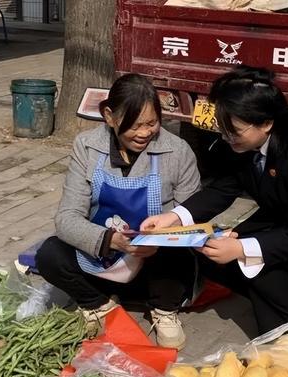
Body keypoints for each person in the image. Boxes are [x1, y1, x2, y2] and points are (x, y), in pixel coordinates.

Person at [141, 65, 288, 343]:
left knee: (255, 261)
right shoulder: (240, 143)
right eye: (222, 129)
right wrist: (174, 218)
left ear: (266, 123)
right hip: (284, 218)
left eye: (234, 130)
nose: (226, 137)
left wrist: (240, 249)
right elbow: (223, 188)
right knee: (211, 251)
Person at [35, 73, 201, 349]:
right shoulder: (87, 146)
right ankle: (99, 304)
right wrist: (108, 240)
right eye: (134, 125)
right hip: (101, 263)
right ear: (109, 116)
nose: (144, 133)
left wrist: (160, 240)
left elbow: (193, 215)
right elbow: (67, 218)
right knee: (50, 254)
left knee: (182, 254)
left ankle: (163, 310)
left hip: (155, 268)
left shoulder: (178, 151)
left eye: (151, 123)